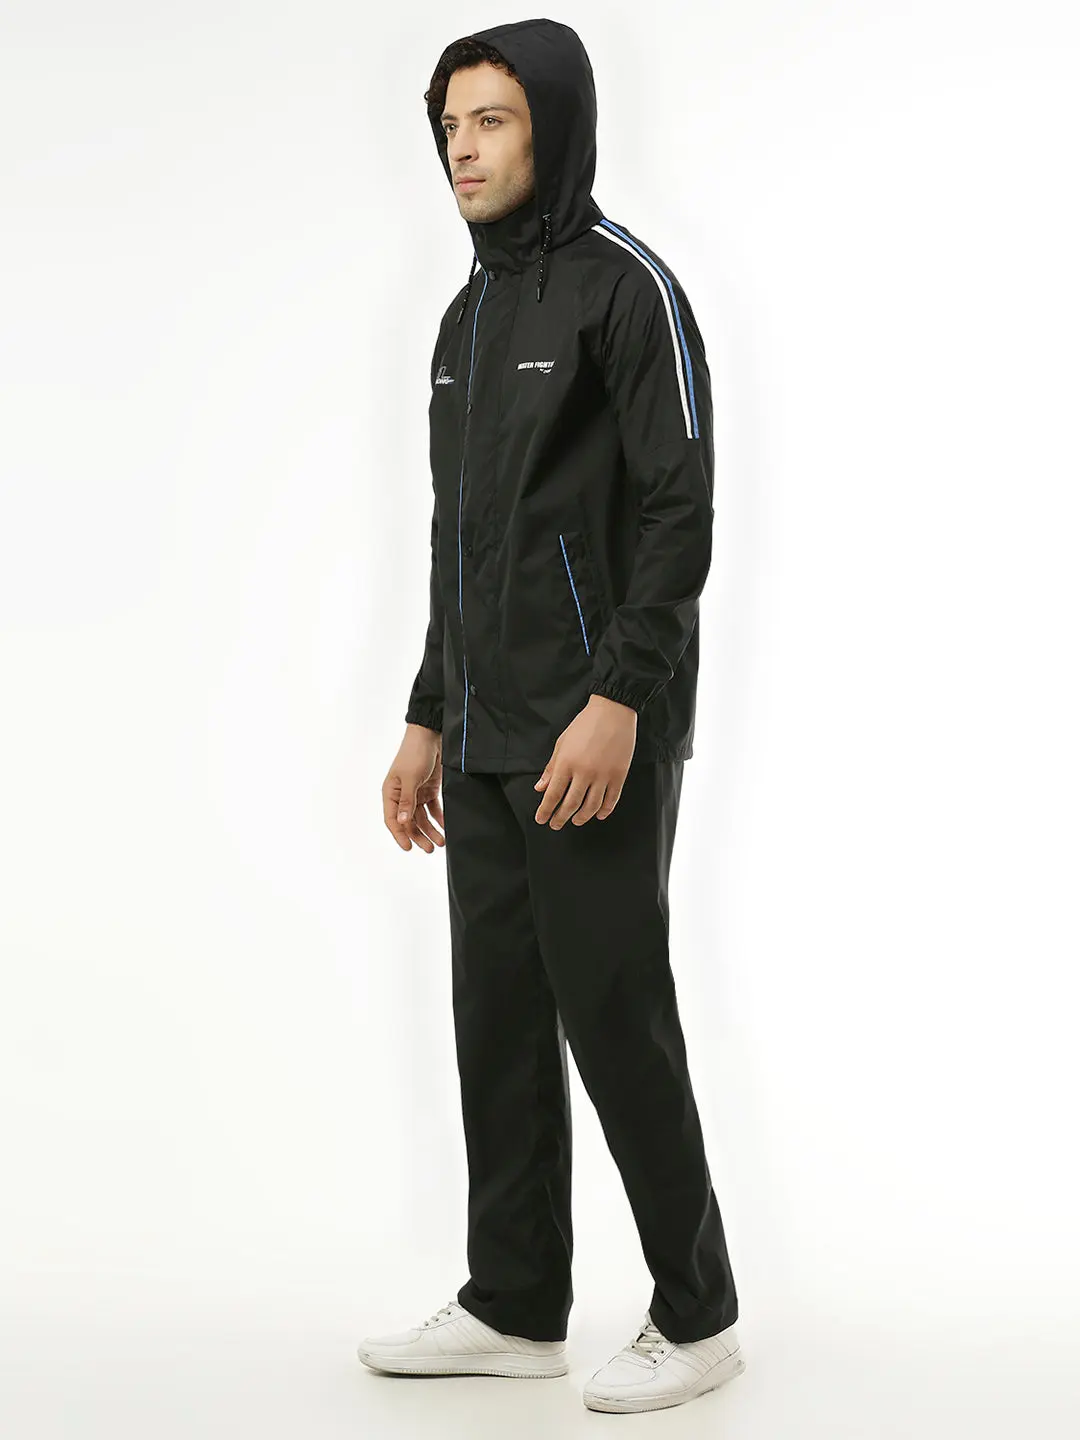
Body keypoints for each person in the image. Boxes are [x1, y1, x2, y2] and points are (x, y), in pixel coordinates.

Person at [365, 18, 743, 1415]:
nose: (461, 149)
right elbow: (460, 543)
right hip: (483, 733)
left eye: (493, 121)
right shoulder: (465, 321)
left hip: (594, 732)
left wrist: (620, 699)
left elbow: (679, 513)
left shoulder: (628, 292)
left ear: (556, 128)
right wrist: (428, 714)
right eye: (449, 125)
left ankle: (698, 1315)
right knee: (500, 1017)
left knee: (612, 1010)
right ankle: (515, 1303)